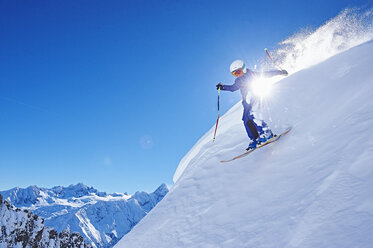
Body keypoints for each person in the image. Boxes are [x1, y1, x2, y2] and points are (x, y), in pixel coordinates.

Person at [216, 59, 288, 150]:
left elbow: (266, 74)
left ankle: (266, 133)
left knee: (254, 115)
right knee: (246, 120)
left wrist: (280, 72)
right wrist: (222, 87)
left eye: (238, 71)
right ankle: (255, 139)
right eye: (235, 74)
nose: (238, 75)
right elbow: (232, 88)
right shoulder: (238, 81)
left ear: (243, 68)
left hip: (255, 98)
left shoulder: (252, 75)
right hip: (246, 103)